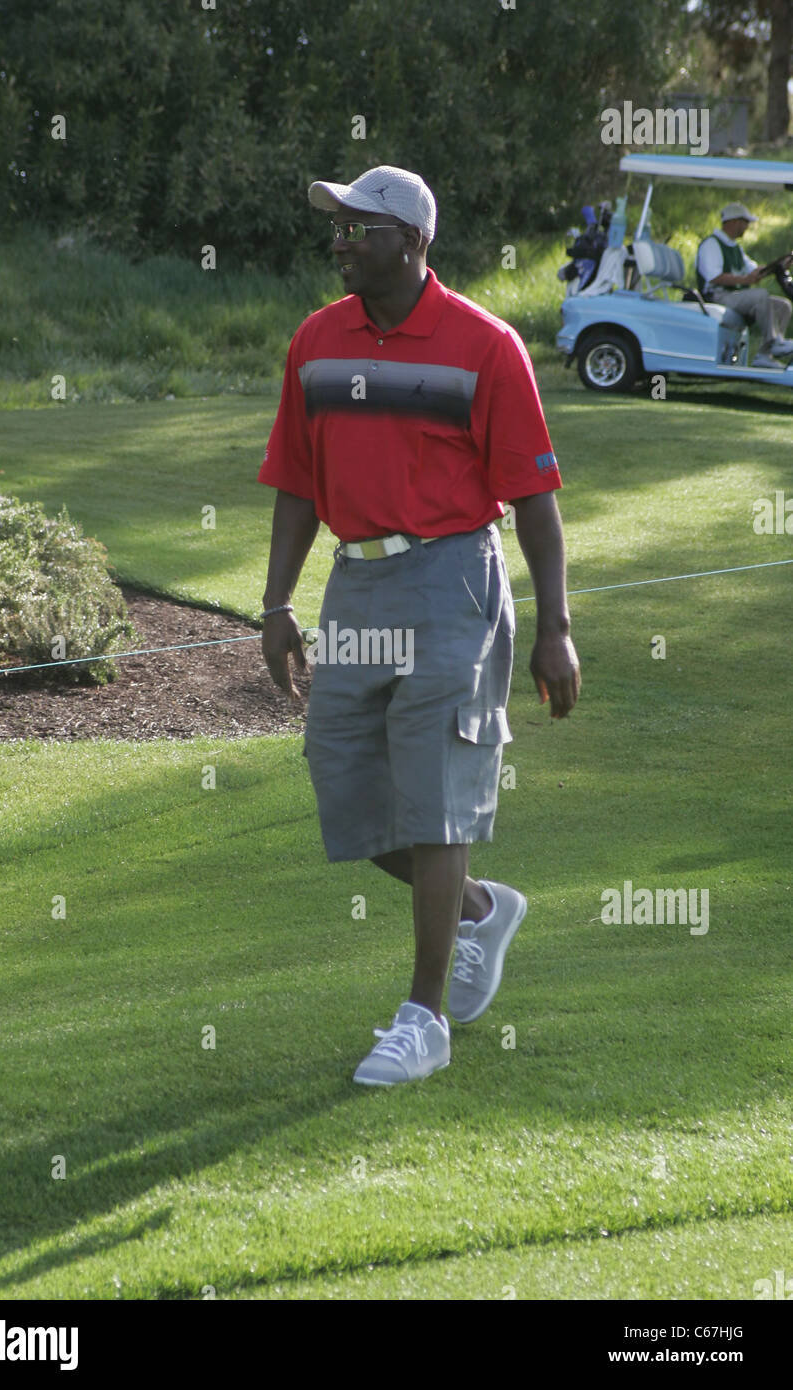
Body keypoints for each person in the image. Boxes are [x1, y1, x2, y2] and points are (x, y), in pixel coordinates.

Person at [258, 165, 580, 1087]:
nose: (340, 242)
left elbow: (535, 502)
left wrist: (554, 626)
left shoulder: (485, 345)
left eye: (358, 227)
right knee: (348, 794)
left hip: (452, 581)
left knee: (437, 791)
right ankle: (478, 905)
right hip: (353, 587)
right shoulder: (316, 342)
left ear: (410, 240)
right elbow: (295, 484)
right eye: (339, 228)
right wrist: (277, 604)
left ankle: (423, 1015)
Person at [695, 201, 793, 369]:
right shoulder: (712, 244)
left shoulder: (735, 248)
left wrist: (778, 266)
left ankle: (764, 355)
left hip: (735, 296)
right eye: (745, 222)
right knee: (761, 295)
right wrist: (745, 280)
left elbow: (754, 269)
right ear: (733, 222)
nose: (747, 226)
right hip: (718, 295)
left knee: (783, 305)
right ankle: (774, 342)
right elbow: (714, 277)